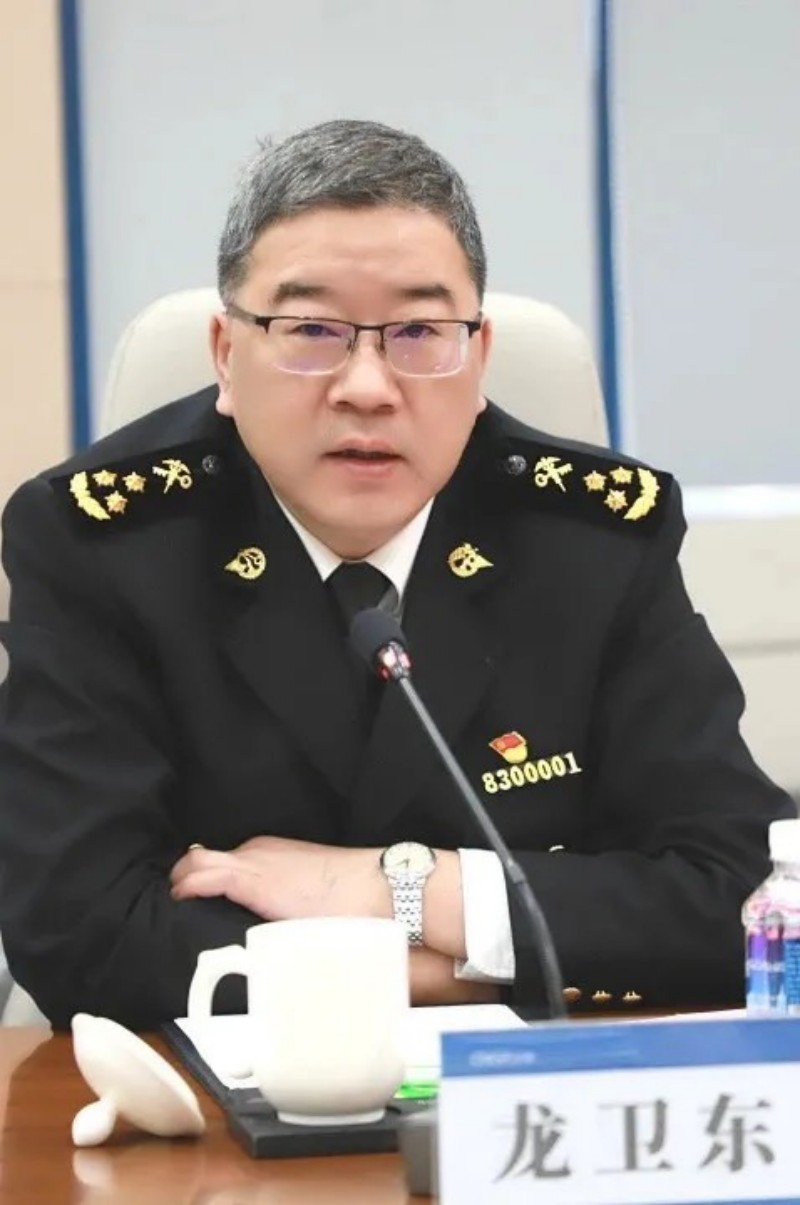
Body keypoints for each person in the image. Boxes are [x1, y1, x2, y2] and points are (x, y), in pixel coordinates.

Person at [0, 119, 792, 1031]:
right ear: (225, 353)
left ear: (479, 357)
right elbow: (80, 937)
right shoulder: (103, 545)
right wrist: (490, 961)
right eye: (311, 330)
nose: (368, 387)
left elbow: (743, 900)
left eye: (419, 331)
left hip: (538, 1090)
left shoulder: (595, 540)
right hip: (211, 1098)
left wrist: (392, 887)